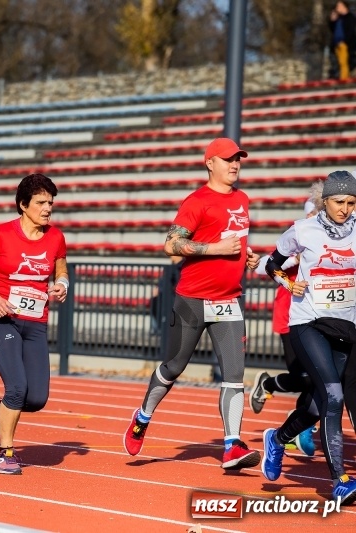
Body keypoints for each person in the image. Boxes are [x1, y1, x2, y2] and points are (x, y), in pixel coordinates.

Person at [123, 137, 262, 470]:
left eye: (238, 159)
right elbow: (171, 244)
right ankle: (143, 416)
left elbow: (235, 241)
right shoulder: (197, 201)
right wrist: (216, 250)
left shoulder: (243, 199)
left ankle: (231, 446)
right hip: (193, 301)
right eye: (228, 159)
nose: (235, 164)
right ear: (210, 163)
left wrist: (246, 257)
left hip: (229, 300)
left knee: (234, 377)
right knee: (174, 367)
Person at [260, 170, 356, 504]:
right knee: (332, 395)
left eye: (351, 202)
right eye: (339, 201)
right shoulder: (304, 230)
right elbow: (273, 264)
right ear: (325, 201)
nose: (344, 208)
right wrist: (288, 283)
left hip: (346, 327)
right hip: (309, 322)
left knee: (318, 405)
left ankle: (277, 438)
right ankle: (340, 480)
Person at [0, 173, 68, 475]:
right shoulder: (1, 234)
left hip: (35, 322)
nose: (47, 208)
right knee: (17, 388)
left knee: (36, 398)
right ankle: (5, 453)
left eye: (51, 202)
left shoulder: (56, 237)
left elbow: (61, 270)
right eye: (41, 202)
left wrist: (61, 285)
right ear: (24, 205)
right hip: (2, 318)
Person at [250, 191, 322, 457]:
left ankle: (300, 427)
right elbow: (267, 265)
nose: (312, 218)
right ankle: (269, 386)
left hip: (322, 316)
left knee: (319, 379)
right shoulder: (301, 233)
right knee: (307, 378)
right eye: (310, 214)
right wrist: (297, 259)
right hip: (290, 314)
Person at [330, 1, 356, 80]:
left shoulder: (350, 17)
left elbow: (351, 31)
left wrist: (345, 41)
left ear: (344, 7)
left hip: (345, 43)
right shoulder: (339, 19)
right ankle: (341, 76)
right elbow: (332, 30)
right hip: (336, 43)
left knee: (344, 62)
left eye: (339, 6)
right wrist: (332, 21)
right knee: (338, 62)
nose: (337, 8)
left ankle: (344, 79)